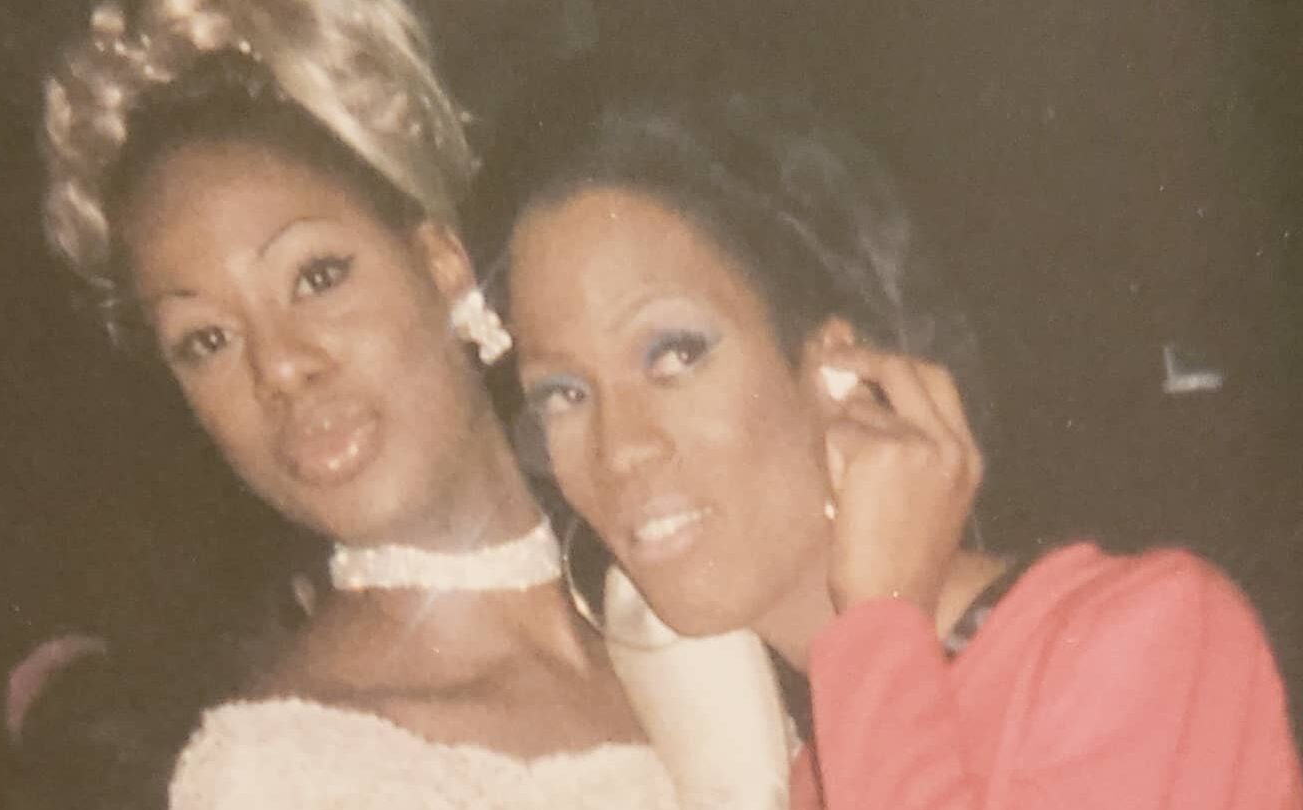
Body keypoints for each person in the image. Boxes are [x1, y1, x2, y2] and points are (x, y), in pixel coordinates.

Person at [492, 81, 1303, 808]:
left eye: (673, 355)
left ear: (836, 370)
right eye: (563, 394)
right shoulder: (804, 777)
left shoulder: (1148, 641)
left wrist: (880, 615)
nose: (619, 448)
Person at [38, 1, 689, 806]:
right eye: (206, 340)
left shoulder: (691, 588)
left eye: (316, 278)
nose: (280, 367)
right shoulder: (282, 775)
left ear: (442, 264)